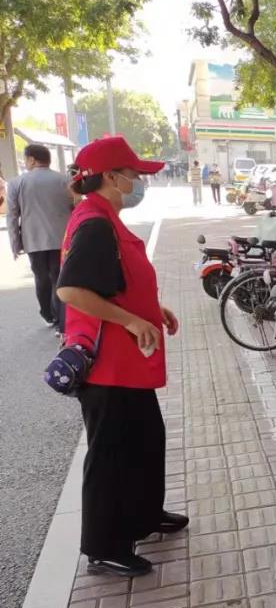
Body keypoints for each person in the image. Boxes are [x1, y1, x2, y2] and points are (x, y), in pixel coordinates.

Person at [56, 136, 188, 577]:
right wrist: (131, 320)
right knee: (110, 453)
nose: (138, 182)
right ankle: (105, 545)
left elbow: (114, 281)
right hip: (107, 367)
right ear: (111, 177)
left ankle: (144, 515)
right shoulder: (94, 223)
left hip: (126, 364)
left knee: (146, 440)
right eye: (133, 174)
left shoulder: (105, 217)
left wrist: (151, 309)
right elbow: (72, 290)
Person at [7, 144, 75, 331]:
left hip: (33, 240)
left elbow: (12, 216)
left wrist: (15, 244)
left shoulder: (16, 183)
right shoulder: (65, 180)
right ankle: (61, 319)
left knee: (41, 277)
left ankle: (47, 314)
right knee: (59, 277)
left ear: (31, 159)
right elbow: (75, 207)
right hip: (62, 238)